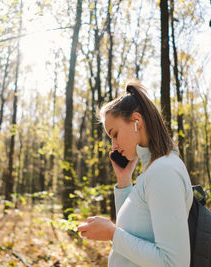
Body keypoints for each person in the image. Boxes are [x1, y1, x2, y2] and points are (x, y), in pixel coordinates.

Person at [77, 81, 193, 266]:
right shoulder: (153, 170)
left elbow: (174, 263)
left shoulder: (163, 170)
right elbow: (133, 233)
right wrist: (124, 181)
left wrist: (111, 233)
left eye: (114, 134)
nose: (113, 146)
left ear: (136, 121)